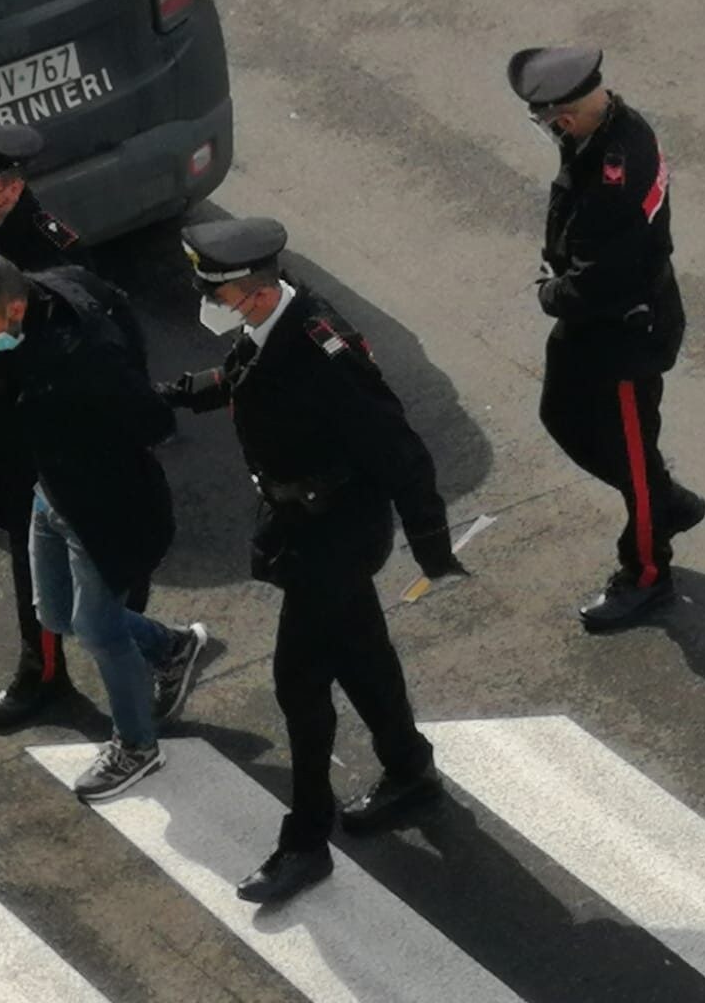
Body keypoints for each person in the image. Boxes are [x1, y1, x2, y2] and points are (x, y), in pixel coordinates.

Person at [156, 218, 466, 904]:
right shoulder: (273, 323)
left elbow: (399, 447)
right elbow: (245, 375)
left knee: (300, 685)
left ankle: (305, 841)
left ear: (258, 292)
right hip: (302, 522)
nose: (215, 306)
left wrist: (432, 546)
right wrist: (181, 393)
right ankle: (411, 770)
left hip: (335, 536)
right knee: (362, 655)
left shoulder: (325, 351)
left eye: (223, 294)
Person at [0, 123, 152, 731]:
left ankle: (146, 653)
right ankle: (43, 669)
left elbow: (99, 328)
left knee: (98, 544)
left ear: (14, 187)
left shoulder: (52, 247)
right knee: (23, 544)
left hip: (43, 421)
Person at [0, 250, 207, 801]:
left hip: (103, 503)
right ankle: (171, 648)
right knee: (55, 613)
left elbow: (151, 417)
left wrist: (96, 432)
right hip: (52, 491)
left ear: (14, 307)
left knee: (98, 627)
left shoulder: (82, 354)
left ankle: (136, 746)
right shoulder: (44, 299)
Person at [506, 46, 705, 632]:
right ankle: (665, 503)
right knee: (562, 416)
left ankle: (647, 573)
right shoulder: (614, 125)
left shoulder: (612, 180)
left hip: (620, 335)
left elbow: (596, 284)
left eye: (545, 119)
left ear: (564, 118)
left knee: (634, 461)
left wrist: (548, 293)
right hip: (597, 327)